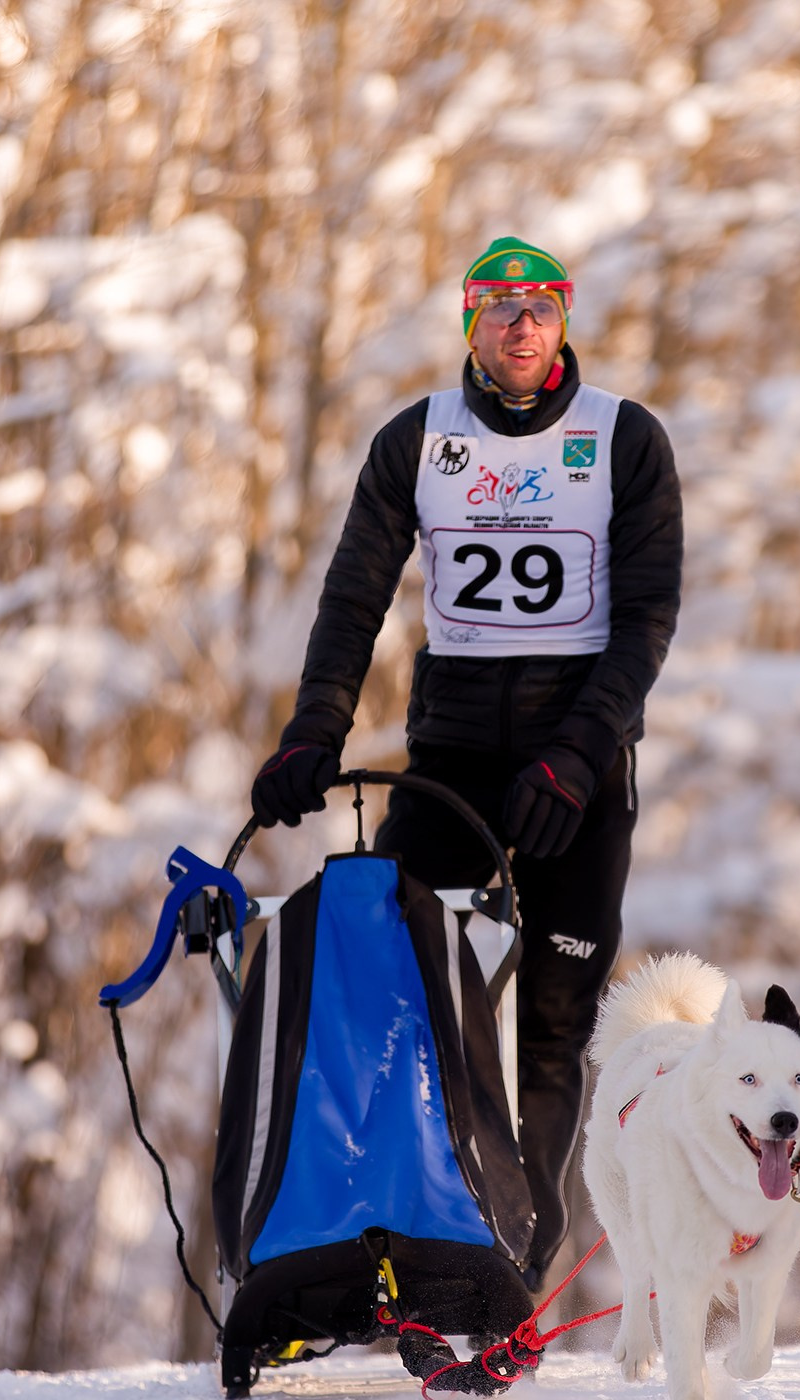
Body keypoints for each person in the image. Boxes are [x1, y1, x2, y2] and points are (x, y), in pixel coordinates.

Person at [251, 236, 683, 1291]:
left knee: (548, 1023)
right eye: (499, 307)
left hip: (573, 778)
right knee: (398, 997)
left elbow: (645, 620)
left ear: (566, 320)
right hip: (449, 769)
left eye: (541, 305)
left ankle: (512, 1280)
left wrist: (579, 757)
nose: (521, 324)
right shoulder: (418, 441)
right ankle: (400, 1249)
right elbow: (355, 594)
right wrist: (315, 730)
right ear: (470, 326)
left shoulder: (623, 439)